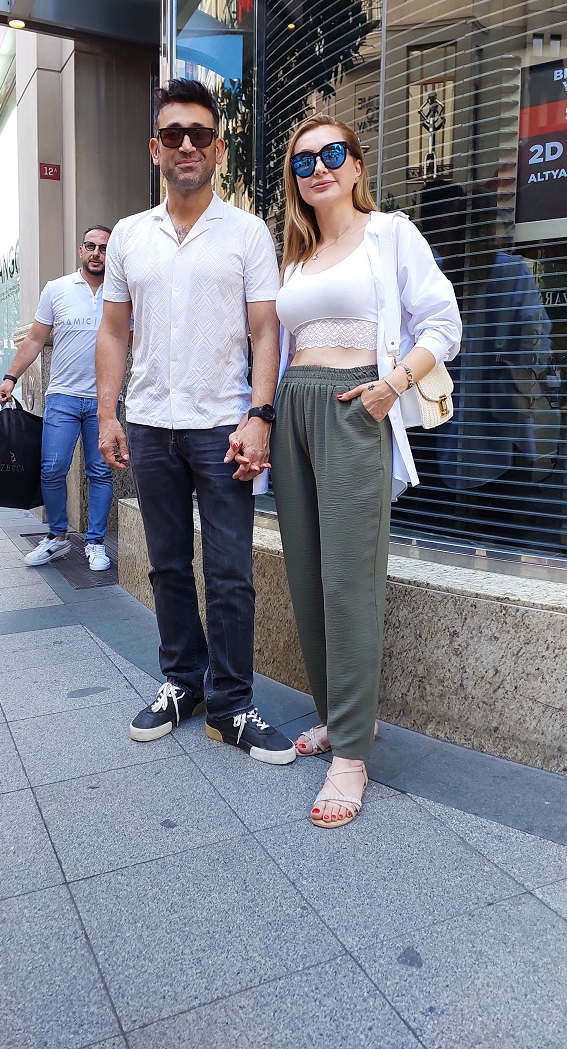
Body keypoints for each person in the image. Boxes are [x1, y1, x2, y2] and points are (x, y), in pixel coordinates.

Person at [95, 77, 295, 765]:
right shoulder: (129, 236)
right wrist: (108, 415)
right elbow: (113, 331)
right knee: (167, 565)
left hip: (222, 427)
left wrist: (260, 414)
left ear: (218, 148)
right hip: (151, 423)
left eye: (200, 135)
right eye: (173, 134)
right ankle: (183, 683)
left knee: (231, 571)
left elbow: (265, 332)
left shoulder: (247, 233)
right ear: (155, 147)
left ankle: (232, 704)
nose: (187, 145)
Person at [270, 115, 461, 826]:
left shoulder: (390, 234)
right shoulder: (297, 258)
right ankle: (342, 717)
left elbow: (444, 323)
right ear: (294, 180)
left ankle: (350, 755)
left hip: (354, 408)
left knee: (350, 581)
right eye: (303, 161)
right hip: (294, 408)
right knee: (306, 575)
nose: (318, 167)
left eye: (332, 153)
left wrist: (393, 386)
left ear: (356, 165)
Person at [0, 225, 114, 571]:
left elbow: (135, 340)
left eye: (104, 248)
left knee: (100, 472)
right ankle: (58, 537)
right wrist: (10, 377)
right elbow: (34, 339)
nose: (96, 253)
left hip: (105, 400)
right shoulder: (57, 289)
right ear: (81, 250)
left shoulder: (121, 291)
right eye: (90, 246)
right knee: (51, 469)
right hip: (63, 396)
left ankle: (96, 542)